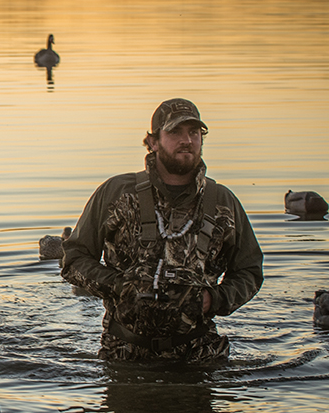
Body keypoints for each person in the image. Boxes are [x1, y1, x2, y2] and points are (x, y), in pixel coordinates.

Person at [61, 98, 263, 362]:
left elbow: (249, 270)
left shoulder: (223, 201)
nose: (187, 140)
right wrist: (120, 286)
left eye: (194, 133)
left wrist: (214, 299)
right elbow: (73, 259)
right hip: (123, 355)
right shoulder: (116, 193)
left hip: (200, 356)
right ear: (153, 141)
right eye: (175, 132)